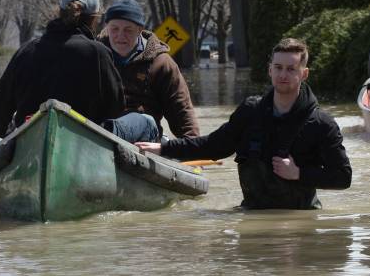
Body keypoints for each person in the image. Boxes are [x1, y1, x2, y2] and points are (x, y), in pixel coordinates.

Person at [136, 38, 352, 210]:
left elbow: (343, 177)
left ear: (303, 74)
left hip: (300, 221)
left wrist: (299, 174)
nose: (283, 74)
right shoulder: (250, 112)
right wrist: (162, 148)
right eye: (278, 67)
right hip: (252, 215)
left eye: (291, 69)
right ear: (270, 70)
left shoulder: (322, 123)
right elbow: (213, 146)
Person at [0, 0, 126, 138]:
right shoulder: (98, 53)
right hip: (82, 140)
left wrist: (8, 135)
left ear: (60, 12)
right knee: (145, 122)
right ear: (94, 19)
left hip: (29, 137)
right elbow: (116, 108)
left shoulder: (26, 50)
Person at [100, 0, 199, 139]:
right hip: (100, 134)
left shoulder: (161, 63)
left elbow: (181, 109)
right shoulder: (94, 55)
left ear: (140, 30)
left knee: (142, 121)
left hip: (145, 138)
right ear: (107, 28)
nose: (120, 36)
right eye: (114, 29)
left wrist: (192, 146)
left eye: (128, 30)